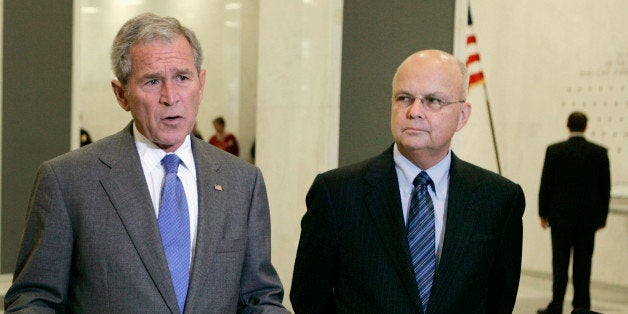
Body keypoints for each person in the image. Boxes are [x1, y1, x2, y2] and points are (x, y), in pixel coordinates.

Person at [4, 13, 286, 313]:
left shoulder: (242, 181)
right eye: (152, 81)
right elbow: (34, 300)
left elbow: (259, 298)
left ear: (201, 85)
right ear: (121, 94)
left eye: (182, 77)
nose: (171, 97)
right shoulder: (67, 180)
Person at [290, 50, 526, 313]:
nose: (414, 111)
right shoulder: (337, 193)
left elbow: (499, 301)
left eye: (433, 101)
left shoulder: (499, 199)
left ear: (462, 115)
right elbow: (309, 298)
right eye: (404, 98)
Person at [537, 111, 610, 314]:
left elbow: (546, 184)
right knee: (583, 265)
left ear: (567, 125)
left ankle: (556, 304)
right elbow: (605, 189)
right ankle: (582, 305)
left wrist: (543, 213)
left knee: (559, 265)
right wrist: (602, 217)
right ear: (586, 126)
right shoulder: (599, 153)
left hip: (560, 218)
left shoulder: (555, 151)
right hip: (588, 221)